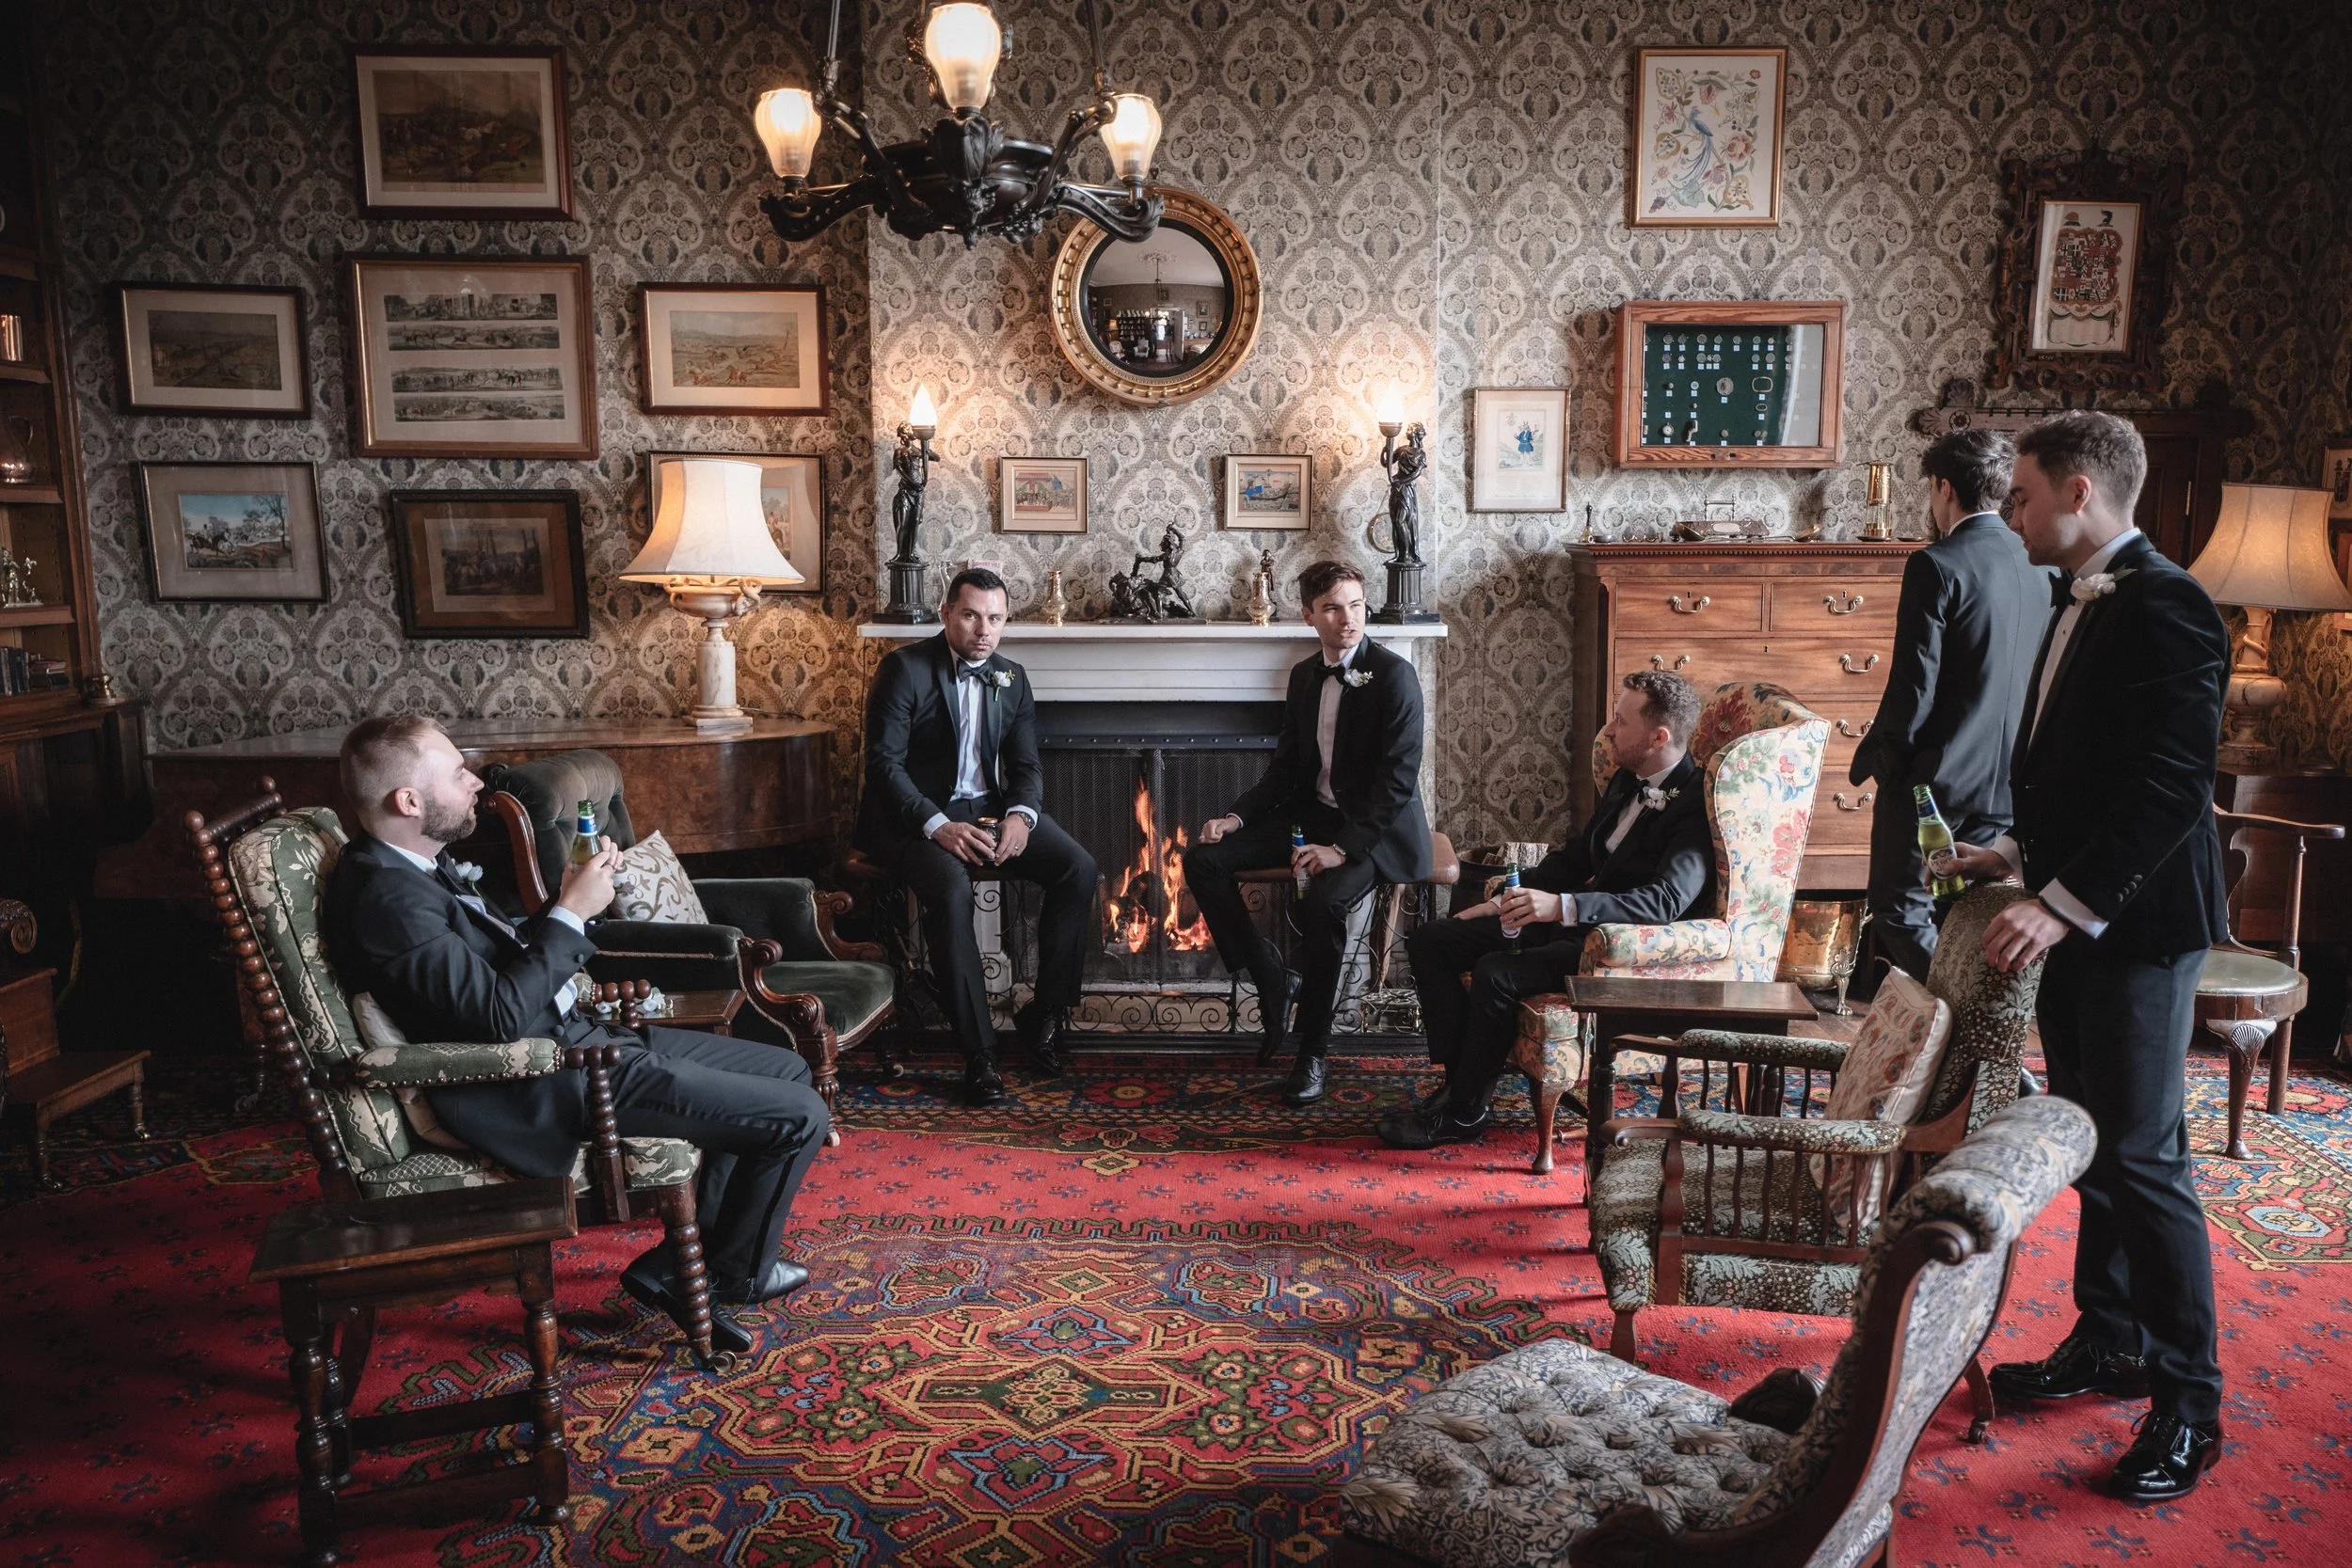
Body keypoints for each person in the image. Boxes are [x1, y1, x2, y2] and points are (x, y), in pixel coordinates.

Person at [324, 716, 831, 1359]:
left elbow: (498, 968)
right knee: (802, 1114)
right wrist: (569, 915)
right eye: (457, 772)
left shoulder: (415, 865)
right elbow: (499, 1019)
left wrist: (562, 903)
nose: (476, 780)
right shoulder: (385, 899)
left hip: (581, 1036)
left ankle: (679, 1265)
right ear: (408, 802)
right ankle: (736, 1271)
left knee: (786, 1070)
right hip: (542, 1076)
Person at [1940, 410, 2231, 1503]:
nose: (2005, 512)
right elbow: (2089, 775)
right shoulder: (2072, 596)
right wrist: (2010, 851)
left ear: (2076, 493)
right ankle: (2107, 1339)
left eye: (2017, 494)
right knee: (2093, 1141)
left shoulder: (2168, 602)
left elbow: (2167, 791)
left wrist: (2059, 907)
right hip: (2081, 912)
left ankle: (2189, 1407)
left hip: (2141, 930)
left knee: (2147, 1160)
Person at [1381, 671, 1710, 1149]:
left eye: (1621, 720)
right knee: (1434, 938)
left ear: (1659, 737)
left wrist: (1562, 907)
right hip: (1570, 924)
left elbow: (1663, 902)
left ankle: (1466, 1114)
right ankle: (1460, 1085)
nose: (1610, 730)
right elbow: (1576, 858)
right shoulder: (1628, 779)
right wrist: (1503, 901)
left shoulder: (1694, 806)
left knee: (1498, 970)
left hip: (1614, 950)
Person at [1186, 560, 1430, 1106]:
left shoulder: (1395, 677)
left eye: (1356, 606)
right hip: (1312, 817)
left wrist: (1341, 849)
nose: (1348, 620)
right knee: (1203, 859)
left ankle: (1312, 1054)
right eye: (1333, 608)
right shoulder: (1302, 677)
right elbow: (1286, 771)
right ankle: (1272, 977)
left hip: (1373, 830)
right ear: (1308, 615)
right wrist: (1236, 818)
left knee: (1322, 904)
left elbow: (1396, 783)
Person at [855, 567, 1099, 1106]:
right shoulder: (904, 669)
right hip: (912, 817)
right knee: (950, 888)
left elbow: (1027, 766)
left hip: (989, 810)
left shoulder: (1011, 677)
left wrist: (1021, 818)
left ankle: (1045, 1015)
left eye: (994, 618)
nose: (982, 629)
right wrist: (938, 827)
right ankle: (979, 1054)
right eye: (970, 615)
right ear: (947, 615)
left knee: (1078, 868)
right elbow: (884, 767)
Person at [1849, 428, 2049, 977]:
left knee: (1900, 905)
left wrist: (1890, 765)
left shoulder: (1937, 564)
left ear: (1942, 487)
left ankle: (1956, 1022)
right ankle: (1967, 1041)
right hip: (2010, 776)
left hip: (1933, 781)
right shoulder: (2045, 563)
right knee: (1973, 909)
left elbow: (1915, 687)